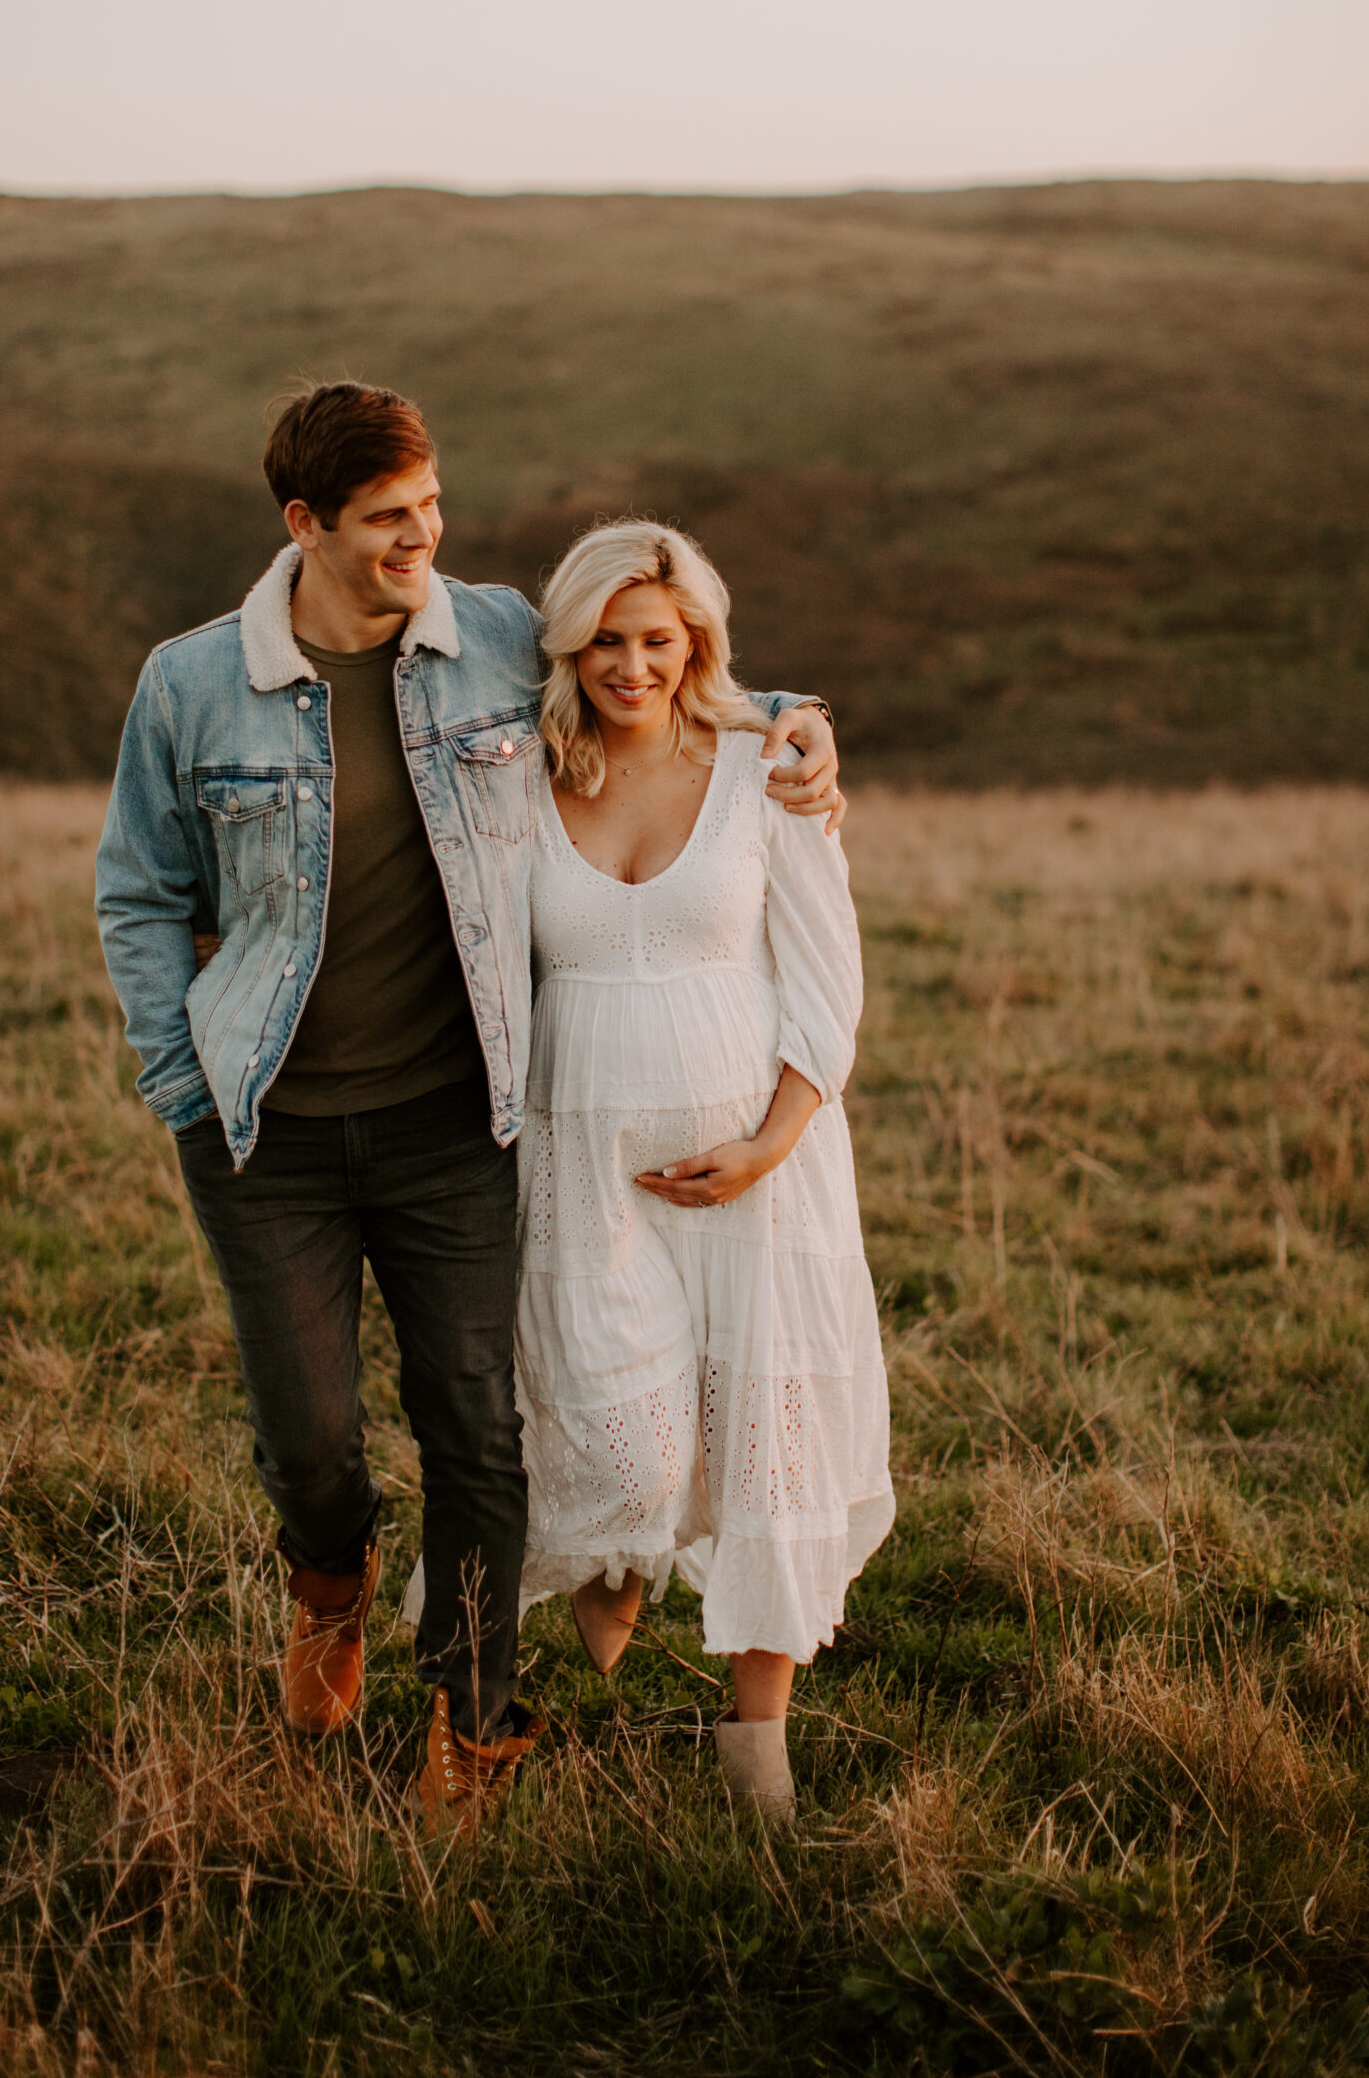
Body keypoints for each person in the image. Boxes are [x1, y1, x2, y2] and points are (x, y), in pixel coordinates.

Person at [94, 381, 843, 1834]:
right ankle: (331, 1584)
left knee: (476, 1430)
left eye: (431, 509)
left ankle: (473, 1715)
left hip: (456, 1115)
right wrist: (181, 1082)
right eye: (387, 521)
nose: (420, 540)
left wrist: (796, 724)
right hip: (267, 1128)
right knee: (310, 1437)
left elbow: (657, 664)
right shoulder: (190, 685)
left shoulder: (489, 636)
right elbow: (141, 890)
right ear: (303, 523)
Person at [512, 520, 893, 1821]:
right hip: (581, 1168)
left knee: (766, 1450)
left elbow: (827, 983)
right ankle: (618, 1560)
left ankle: (757, 1760)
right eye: (606, 641)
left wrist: (765, 1149)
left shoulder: (763, 771)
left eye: (658, 642)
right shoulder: (522, 778)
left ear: (699, 646)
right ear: (569, 645)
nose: (631, 665)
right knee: (626, 1452)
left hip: (757, 1168)